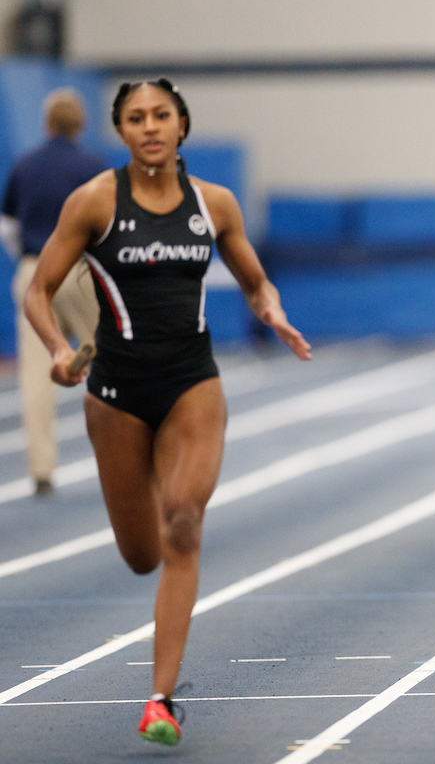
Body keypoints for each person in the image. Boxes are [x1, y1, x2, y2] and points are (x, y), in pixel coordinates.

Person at [24, 78, 311, 745]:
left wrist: (269, 308)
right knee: (140, 554)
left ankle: (160, 699)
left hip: (192, 384)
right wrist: (59, 350)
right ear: (120, 131)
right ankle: (147, 497)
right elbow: (40, 290)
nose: (149, 126)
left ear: (182, 125)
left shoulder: (214, 204)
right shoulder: (95, 201)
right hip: (116, 393)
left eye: (161, 115)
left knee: (183, 522)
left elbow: (254, 277)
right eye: (134, 117)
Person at [1, 88, 106, 495]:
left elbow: (7, 227)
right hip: (80, 271)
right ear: (80, 125)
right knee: (111, 358)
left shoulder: (24, 166)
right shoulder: (93, 166)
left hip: (35, 271)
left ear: (46, 124)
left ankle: (42, 471)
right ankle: (120, 459)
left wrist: (31, 260)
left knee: (35, 375)